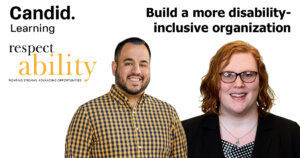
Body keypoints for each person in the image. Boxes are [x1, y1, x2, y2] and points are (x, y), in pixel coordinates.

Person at [65, 37, 187, 158]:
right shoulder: (88, 114)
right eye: (128, 63)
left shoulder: (168, 114)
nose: (137, 71)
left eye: (143, 64)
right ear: (114, 68)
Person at [182, 40, 300, 158]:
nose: (239, 84)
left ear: (261, 81)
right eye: (228, 75)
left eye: (248, 74)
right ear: (214, 82)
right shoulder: (185, 133)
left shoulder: (290, 133)